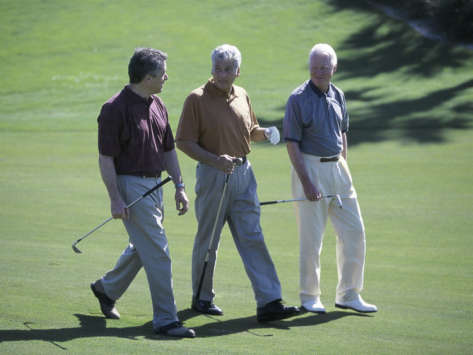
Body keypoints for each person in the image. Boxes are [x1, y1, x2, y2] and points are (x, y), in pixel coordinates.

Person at [176, 44, 299, 322]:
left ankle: (269, 301)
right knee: (209, 240)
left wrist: (265, 132)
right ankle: (202, 298)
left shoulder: (242, 95)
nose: (222, 74)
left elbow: (250, 131)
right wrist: (214, 160)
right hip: (213, 175)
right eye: (218, 68)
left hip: (244, 175)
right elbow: (183, 141)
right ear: (211, 69)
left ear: (238, 71)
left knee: (253, 236)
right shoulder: (196, 99)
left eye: (228, 69)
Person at [90, 48, 195, 338]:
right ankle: (166, 320)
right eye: (162, 73)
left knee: (143, 247)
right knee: (158, 252)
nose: (166, 77)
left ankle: (106, 289)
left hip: (155, 186)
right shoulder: (114, 109)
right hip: (130, 185)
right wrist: (115, 198)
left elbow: (168, 150)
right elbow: (106, 158)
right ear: (147, 77)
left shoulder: (158, 104)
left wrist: (180, 186)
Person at [283, 43, 377, 314]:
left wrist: (343, 164)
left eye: (325, 66)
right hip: (309, 169)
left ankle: (349, 293)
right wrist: (307, 182)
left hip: (338, 169)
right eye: (315, 66)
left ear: (334, 68)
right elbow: (292, 144)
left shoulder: (338, 94)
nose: (320, 71)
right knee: (312, 240)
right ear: (310, 67)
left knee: (354, 232)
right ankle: (309, 296)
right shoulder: (297, 98)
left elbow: (342, 132)